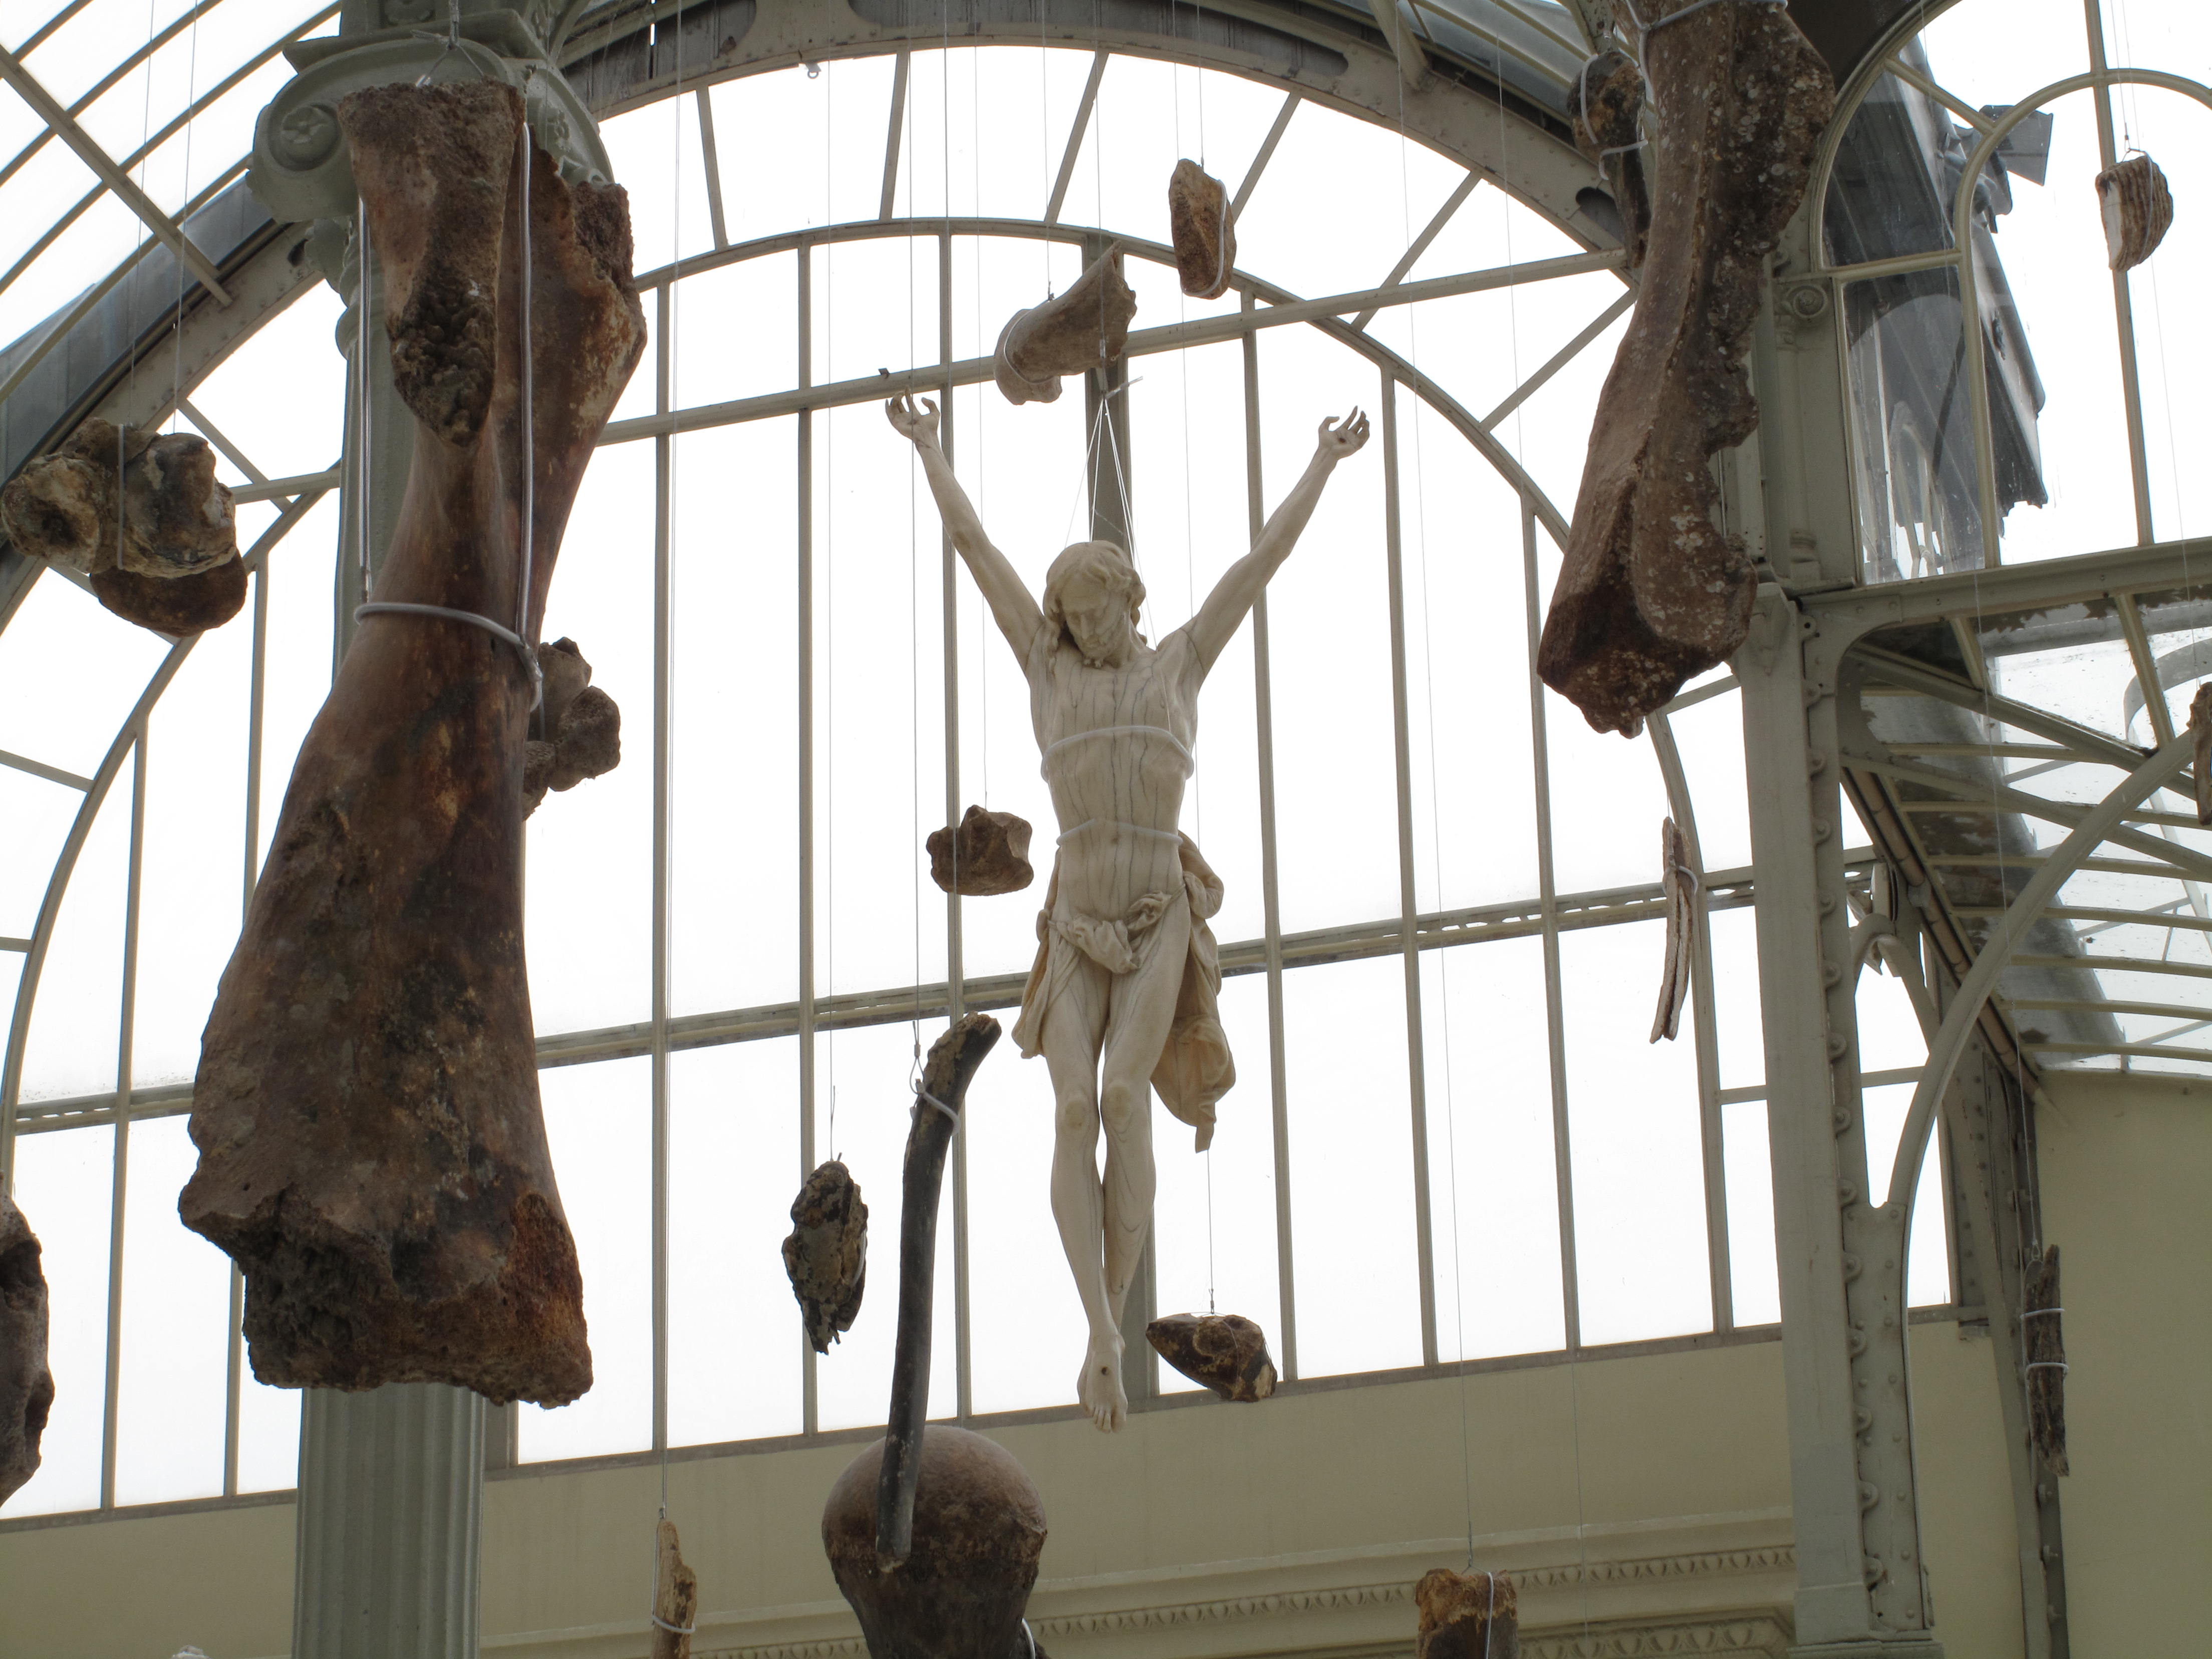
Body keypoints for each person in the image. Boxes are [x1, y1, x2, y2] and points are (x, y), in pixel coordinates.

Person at [886, 392, 1370, 1429]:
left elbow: (1260, 564)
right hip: (1075, 918)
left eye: (1094, 609)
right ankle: (1101, 1330)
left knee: (1121, 1099)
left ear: (1125, 599)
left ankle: (1107, 1321)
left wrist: (1323, 464)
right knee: (1070, 1109)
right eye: (1069, 613)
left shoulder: (1179, 663)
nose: (1080, 625)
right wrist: (930, 448)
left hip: (1156, 916)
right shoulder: (1045, 668)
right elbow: (973, 548)